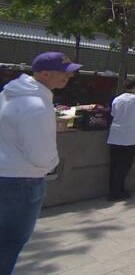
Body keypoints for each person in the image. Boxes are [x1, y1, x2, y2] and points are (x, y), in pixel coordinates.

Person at [0, 52, 80, 274]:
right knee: (9, 243)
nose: (69, 77)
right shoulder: (36, 105)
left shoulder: (9, 95)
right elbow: (42, 157)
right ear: (45, 74)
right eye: (64, 73)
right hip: (21, 182)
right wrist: (52, 161)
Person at [107, 79, 135, 201]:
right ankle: (118, 191)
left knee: (114, 165)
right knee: (125, 165)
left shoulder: (117, 99)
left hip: (115, 135)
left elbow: (113, 114)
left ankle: (113, 191)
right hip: (130, 136)